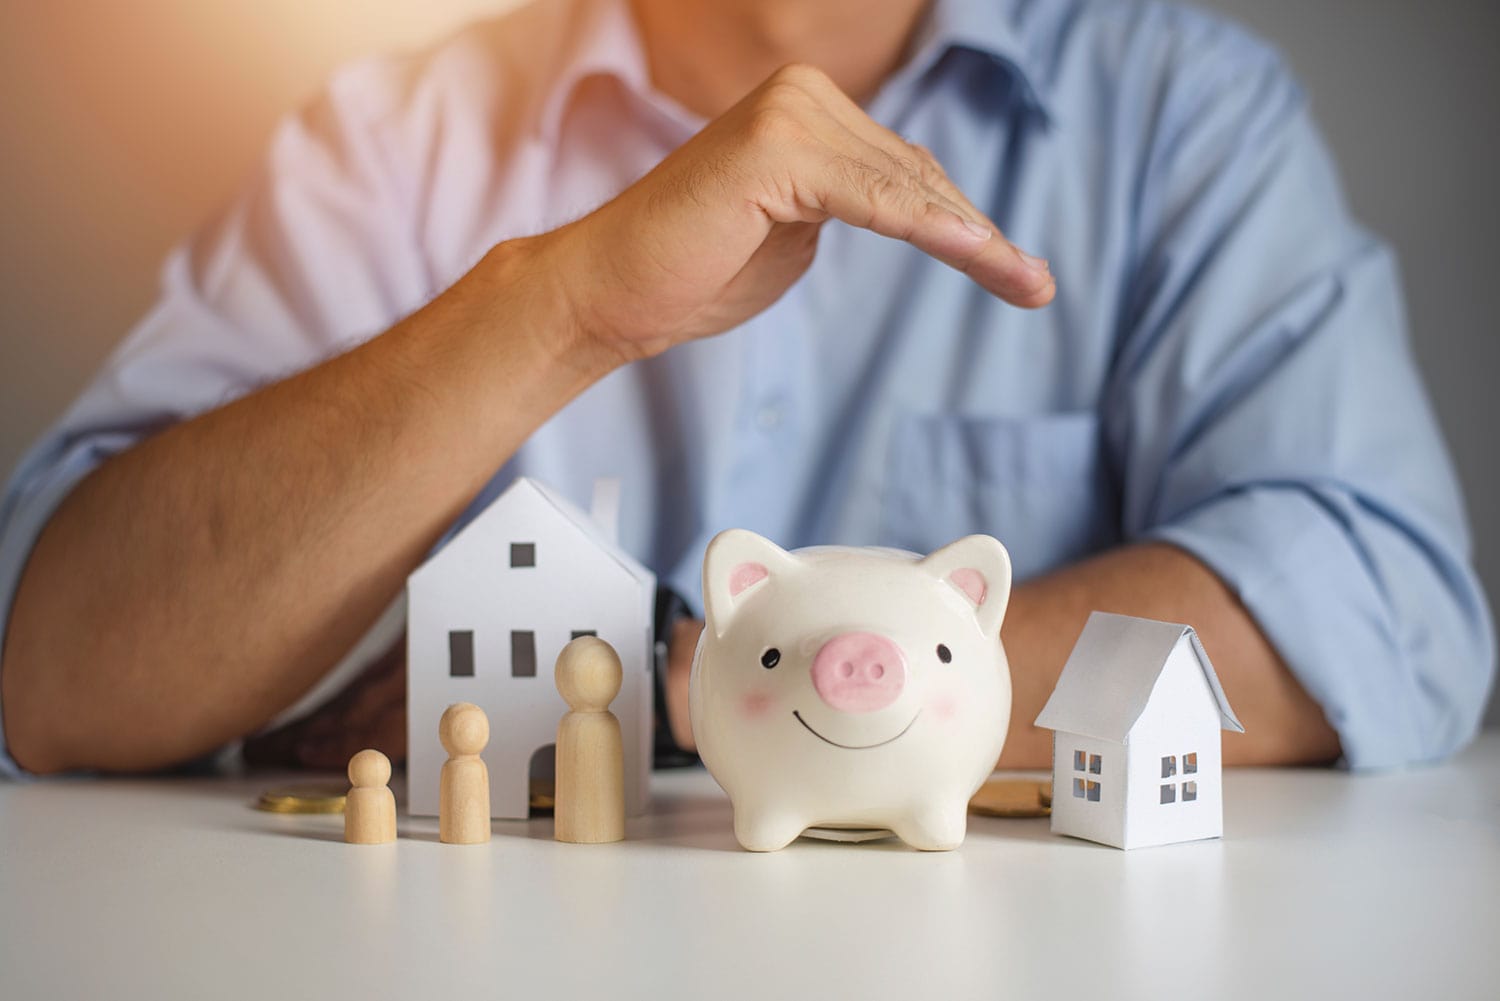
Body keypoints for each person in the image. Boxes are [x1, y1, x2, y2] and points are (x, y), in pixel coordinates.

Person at [0, 0, 1490, 778]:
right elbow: (54, 665)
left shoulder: (1186, 118)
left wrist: (680, 692)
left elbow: (1387, 603)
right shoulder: (390, 144)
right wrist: (556, 309)